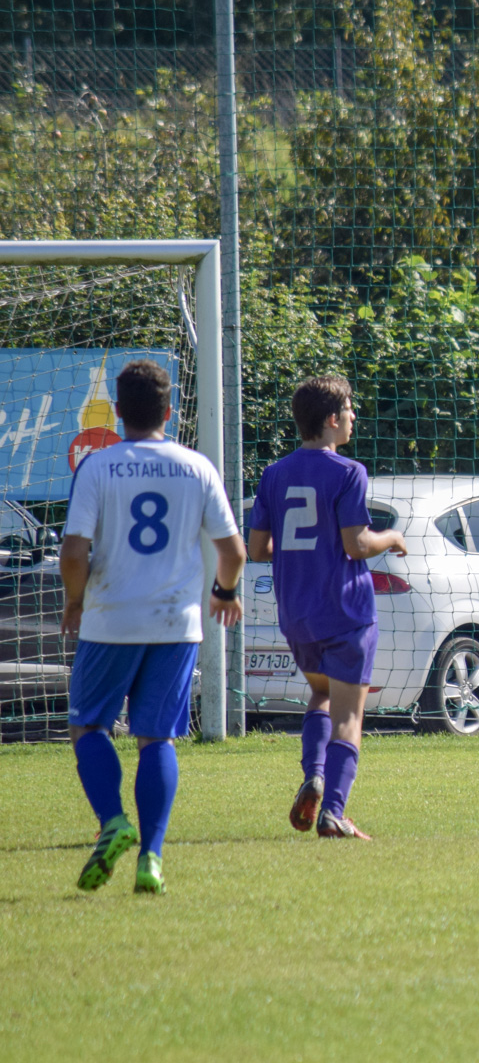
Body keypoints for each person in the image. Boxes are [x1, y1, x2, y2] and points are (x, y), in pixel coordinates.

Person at [61, 359, 245, 895]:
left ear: (118, 411)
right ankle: (152, 857)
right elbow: (233, 551)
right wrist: (224, 592)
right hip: (176, 624)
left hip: (111, 619)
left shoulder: (98, 466)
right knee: (156, 738)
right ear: (170, 411)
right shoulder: (197, 467)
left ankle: (113, 822)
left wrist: (75, 600)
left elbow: (73, 551)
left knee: (88, 726)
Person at [247, 375, 406, 841]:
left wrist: (302, 550)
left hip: (297, 613)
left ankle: (313, 775)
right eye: (350, 408)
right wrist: (391, 537)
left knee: (320, 694)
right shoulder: (349, 471)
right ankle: (334, 811)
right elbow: (357, 545)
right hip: (346, 611)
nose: (355, 416)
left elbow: (257, 548)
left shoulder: (274, 474)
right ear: (332, 419)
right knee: (350, 716)